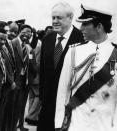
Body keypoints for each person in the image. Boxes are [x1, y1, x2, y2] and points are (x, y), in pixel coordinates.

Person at [56, 4, 117, 131]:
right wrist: (59, 123)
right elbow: (62, 90)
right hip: (77, 125)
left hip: (104, 126)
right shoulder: (73, 51)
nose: (80, 28)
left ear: (99, 26)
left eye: (85, 24)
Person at [37, 2, 84, 131]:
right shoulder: (48, 39)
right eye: (53, 18)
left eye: (59, 18)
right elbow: (43, 71)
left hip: (68, 104)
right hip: (47, 104)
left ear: (70, 18)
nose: (55, 21)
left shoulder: (82, 40)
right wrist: (42, 97)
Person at [11, 24, 32, 131]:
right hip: (15, 80)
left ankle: (20, 125)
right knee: (13, 105)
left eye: (29, 32)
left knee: (22, 105)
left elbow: (32, 63)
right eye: (25, 31)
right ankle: (12, 126)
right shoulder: (12, 43)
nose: (27, 34)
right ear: (20, 31)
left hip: (25, 81)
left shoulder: (28, 47)